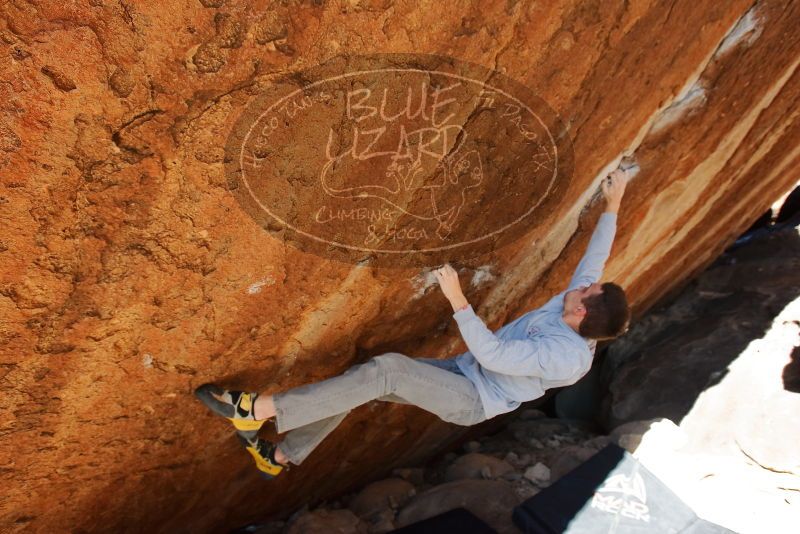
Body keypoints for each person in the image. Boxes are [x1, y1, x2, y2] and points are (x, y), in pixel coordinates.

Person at [195, 169, 632, 479]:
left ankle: (254, 411)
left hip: (474, 397)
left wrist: (456, 297)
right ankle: (282, 456)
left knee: (387, 370)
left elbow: (494, 354)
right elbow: (594, 262)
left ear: (580, 315)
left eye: (582, 294)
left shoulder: (563, 356)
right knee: (364, 380)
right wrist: (613, 202)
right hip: (467, 371)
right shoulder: (581, 313)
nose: (580, 287)